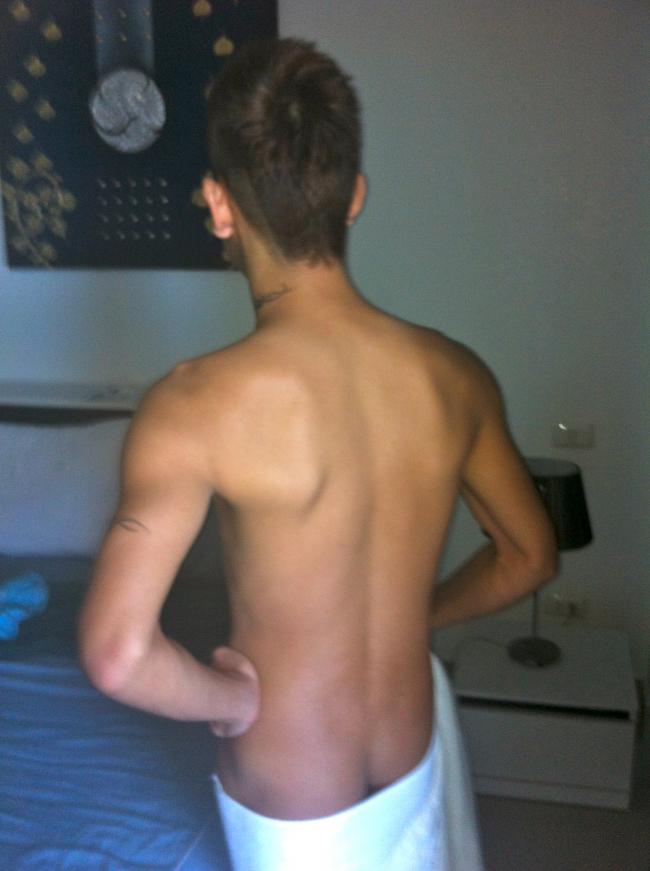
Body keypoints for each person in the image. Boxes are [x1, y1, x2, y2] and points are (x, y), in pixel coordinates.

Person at [79, 38, 557, 871]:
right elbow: (530, 557)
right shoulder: (456, 375)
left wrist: (229, 699)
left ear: (218, 204)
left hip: (294, 801)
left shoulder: (192, 405)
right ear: (354, 196)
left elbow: (119, 655)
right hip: (411, 758)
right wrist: (420, 613)